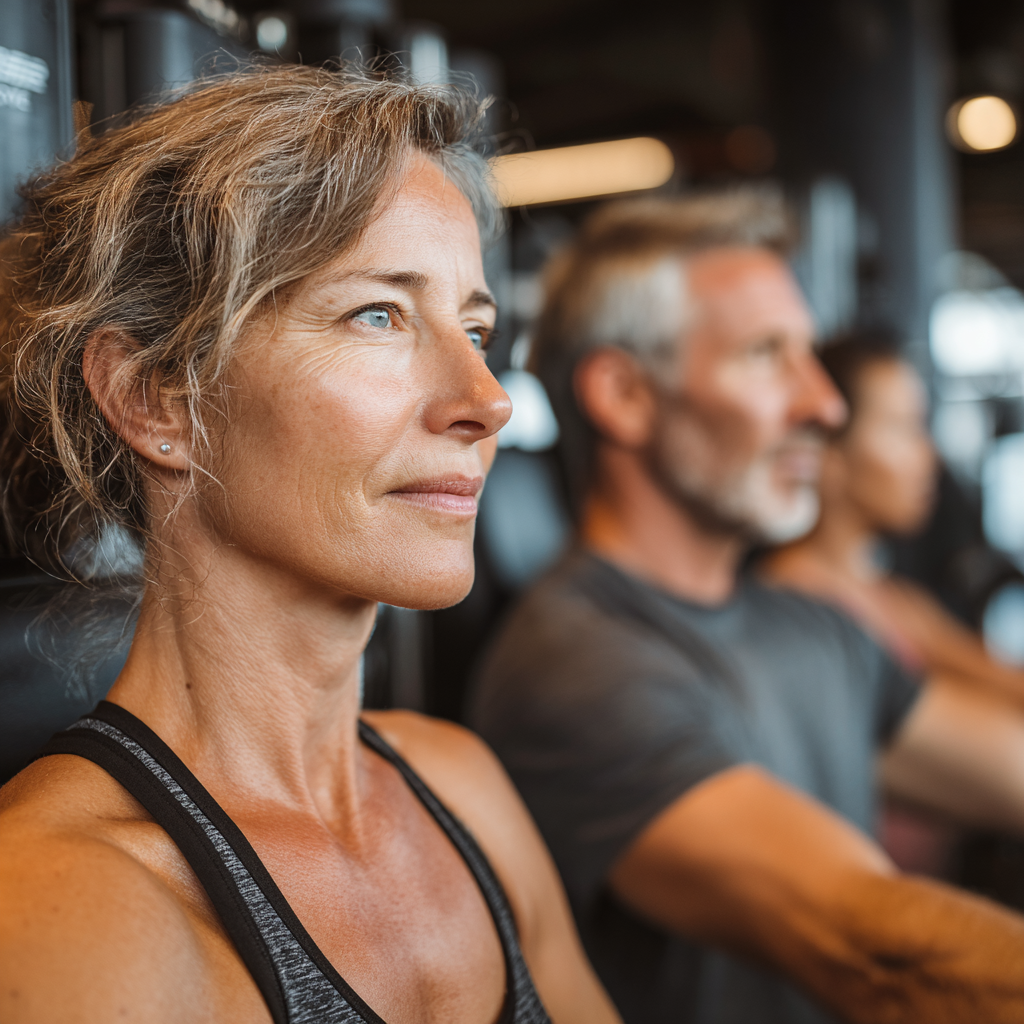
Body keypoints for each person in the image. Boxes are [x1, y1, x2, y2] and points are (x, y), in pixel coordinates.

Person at [0, 66, 620, 1024]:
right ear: (154, 398)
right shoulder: (74, 908)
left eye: (475, 327)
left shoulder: (462, 789)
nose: (488, 401)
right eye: (379, 314)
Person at [468, 193, 1024, 1024]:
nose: (823, 407)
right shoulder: (578, 664)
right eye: (768, 355)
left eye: (809, 355)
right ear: (624, 394)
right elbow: (874, 950)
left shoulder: (809, 628)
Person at [762, 331, 1024, 702]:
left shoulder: (892, 600)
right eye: (903, 428)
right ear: (828, 455)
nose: (928, 456)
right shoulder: (796, 605)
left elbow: (1002, 682)